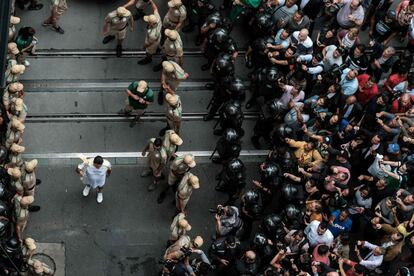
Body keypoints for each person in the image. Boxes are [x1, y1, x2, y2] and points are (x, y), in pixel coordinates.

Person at [138, 0, 161, 65]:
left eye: (148, 21)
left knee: (149, 51)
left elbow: (149, 43)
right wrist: (152, 2)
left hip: (153, 42)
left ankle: (148, 59)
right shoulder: (157, 18)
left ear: (151, 23)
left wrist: (144, 47)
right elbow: (155, 9)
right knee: (157, 44)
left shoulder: (152, 34)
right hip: (158, 36)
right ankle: (157, 49)